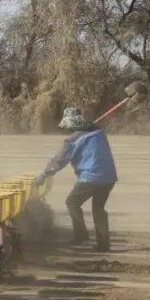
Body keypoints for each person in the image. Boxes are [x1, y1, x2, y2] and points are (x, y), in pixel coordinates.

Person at [35, 107, 118, 252]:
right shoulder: (98, 132)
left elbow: (59, 161)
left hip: (92, 177)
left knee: (72, 202)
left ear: (70, 125)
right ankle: (103, 244)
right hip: (109, 177)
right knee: (99, 209)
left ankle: (81, 235)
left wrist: (43, 175)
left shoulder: (73, 140)